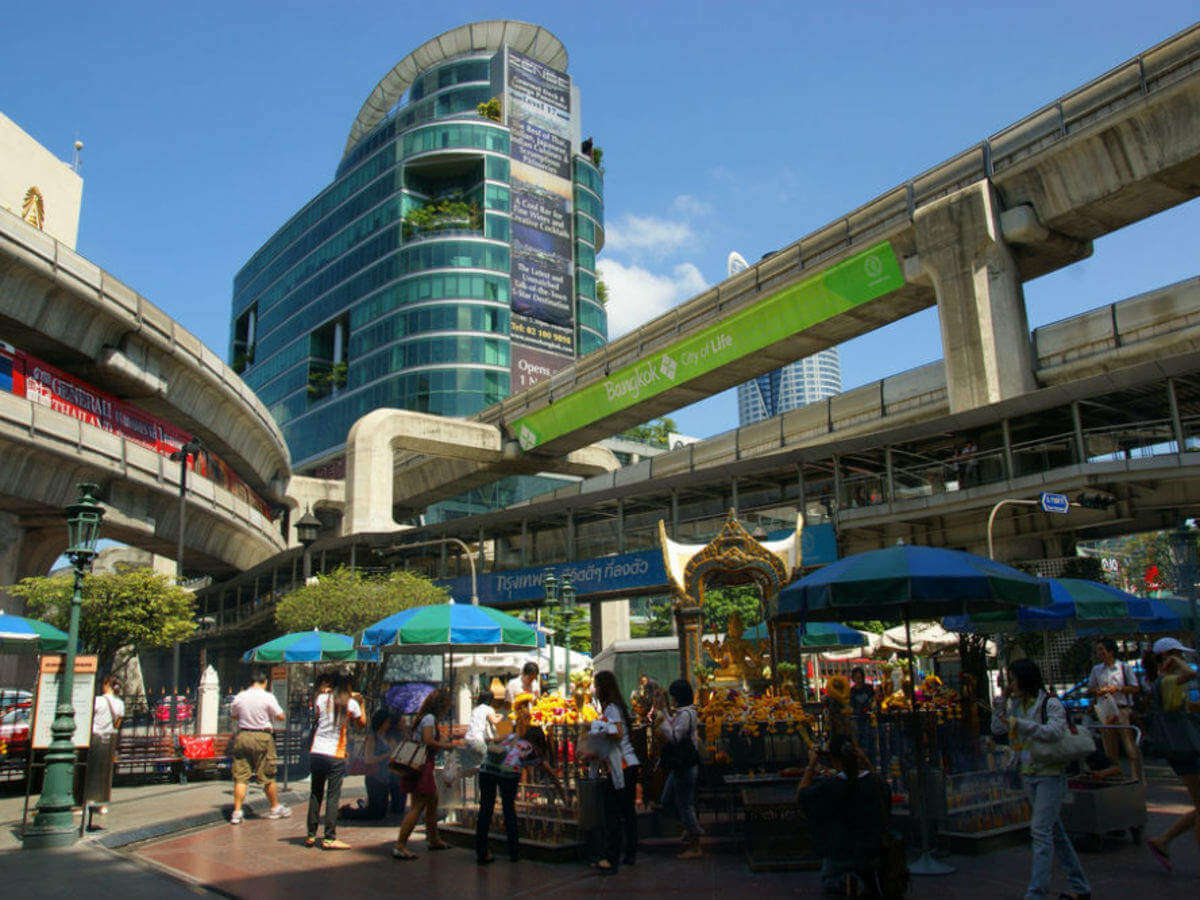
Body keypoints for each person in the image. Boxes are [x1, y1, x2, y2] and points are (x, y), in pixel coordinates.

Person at [991, 658, 1090, 900]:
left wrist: (1022, 725)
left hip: (1050, 775)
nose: (1010, 684)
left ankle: (1037, 893)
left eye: (1013, 679)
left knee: (1040, 831)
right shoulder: (1016, 705)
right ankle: (1080, 886)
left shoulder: (1050, 703)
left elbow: (1055, 732)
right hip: (1028, 774)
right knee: (1054, 831)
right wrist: (1000, 707)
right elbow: (998, 729)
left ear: (1025, 679)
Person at [799, 735, 890, 895]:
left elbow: (802, 797)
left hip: (839, 857)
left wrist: (811, 765)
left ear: (832, 759)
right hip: (871, 854)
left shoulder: (830, 787)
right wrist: (866, 762)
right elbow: (880, 787)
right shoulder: (874, 784)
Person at [1144, 636, 1200, 872]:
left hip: (1185, 745)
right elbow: (1191, 674)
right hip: (1184, 748)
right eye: (1178, 654)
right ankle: (1164, 840)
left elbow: (1182, 710)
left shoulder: (1166, 682)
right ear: (1167, 657)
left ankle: (1163, 840)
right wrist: (1177, 662)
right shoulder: (1167, 681)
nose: (1183, 659)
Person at [475, 725, 566, 864]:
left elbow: (495, 741)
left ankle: (481, 852)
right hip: (508, 773)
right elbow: (548, 770)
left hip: (487, 770)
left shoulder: (513, 737)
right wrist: (561, 791)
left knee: (485, 811)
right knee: (509, 810)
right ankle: (514, 852)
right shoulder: (529, 748)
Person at [393, 687, 462, 860]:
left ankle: (434, 838)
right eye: (447, 705)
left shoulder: (425, 718)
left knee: (433, 800)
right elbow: (428, 740)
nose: (448, 708)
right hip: (423, 765)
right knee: (418, 805)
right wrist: (447, 745)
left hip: (422, 764)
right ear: (440, 705)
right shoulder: (429, 718)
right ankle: (400, 845)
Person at [306, 673, 366, 849]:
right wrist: (361, 704)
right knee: (333, 796)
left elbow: (318, 717)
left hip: (317, 751)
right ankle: (329, 837)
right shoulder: (351, 703)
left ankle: (310, 835)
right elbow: (361, 724)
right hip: (335, 753)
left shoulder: (322, 698)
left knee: (315, 793)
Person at [589, 670, 640, 874]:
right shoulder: (617, 706)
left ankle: (611, 858)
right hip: (629, 763)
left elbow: (617, 733)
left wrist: (599, 734)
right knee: (627, 812)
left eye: (597, 686)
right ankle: (629, 854)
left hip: (622, 766)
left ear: (603, 688)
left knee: (612, 812)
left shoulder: (611, 708)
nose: (595, 690)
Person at [229, 669, 290, 824]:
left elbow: (234, 715)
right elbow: (280, 715)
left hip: (243, 736)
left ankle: (237, 811)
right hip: (263, 737)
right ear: (265, 682)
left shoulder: (240, 696)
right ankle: (275, 807)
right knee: (268, 775)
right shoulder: (267, 697)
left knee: (241, 776)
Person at [657, 678, 702, 858]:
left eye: (673, 696)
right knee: (667, 799)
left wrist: (661, 721)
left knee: (685, 804)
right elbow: (672, 724)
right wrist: (663, 710)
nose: (672, 699)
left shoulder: (685, 714)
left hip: (684, 764)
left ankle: (695, 842)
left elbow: (675, 736)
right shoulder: (684, 712)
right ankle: (689, 827)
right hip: (680, 765)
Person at [1087, 638, 1141, 780]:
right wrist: (1097, 691)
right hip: (1105, 710)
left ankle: (1135, 775)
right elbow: (1090, 688)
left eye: (1102, 650)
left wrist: (1117, 688)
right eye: (1098, 650)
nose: (1099, 653)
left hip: (1121, 708)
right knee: (1109, 746)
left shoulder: (1124, 668)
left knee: (1128, 744)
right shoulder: (1097, 669)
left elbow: (1135, 688)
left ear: (1110, 651)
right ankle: (1116, 773)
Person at [341, 710, 399, 821]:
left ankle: (362, 805)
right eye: (387, 722)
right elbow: (369, 759)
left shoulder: (386, 737)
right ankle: (346, 812)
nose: (388, 725)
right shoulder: (372, 737)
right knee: (374, 813)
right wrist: (386, 755)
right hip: (374, 776)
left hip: (384, 776)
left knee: (382, 811)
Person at [84, 675, 125, 816]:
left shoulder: (99, 701)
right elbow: (118, 724)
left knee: (91, 771)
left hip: (96, 738)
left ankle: (88, 800)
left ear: (107, 685)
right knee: (106, 773)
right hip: (110, 740)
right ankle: (103, 804)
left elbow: (89, 717)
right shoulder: (120, 704)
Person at [462, 689, 505, 776]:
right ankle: (466, 773)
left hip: (468, 741)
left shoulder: (475, 709)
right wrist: (501, 716)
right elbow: (494, 721)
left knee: (482, 763)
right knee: (490, 762)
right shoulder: (489, 709)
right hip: (477, 740)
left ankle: (470, 773)